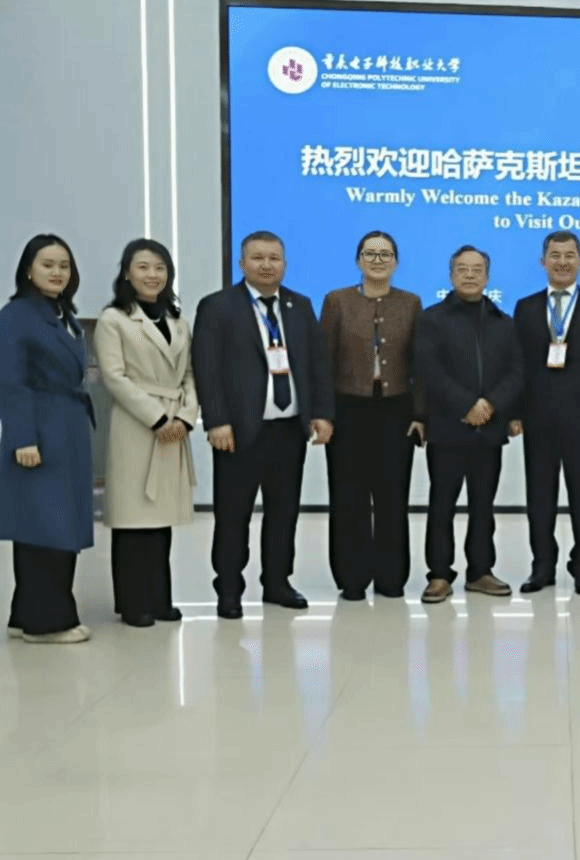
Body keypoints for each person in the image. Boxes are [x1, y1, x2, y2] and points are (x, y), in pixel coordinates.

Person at [192, 230, 335, 619]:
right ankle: (229, 590)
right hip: (238, 432)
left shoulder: (299, 306)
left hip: (288, 430)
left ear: (285, 264)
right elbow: (207, 368)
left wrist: (322, 413)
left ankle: (277, 583)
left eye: (274, 258)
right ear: (242, 263)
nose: (266, 265)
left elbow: (317, 364)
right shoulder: (218, 307)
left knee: (284, 513)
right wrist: (216, 420)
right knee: (232, 515)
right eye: (257, 258)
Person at [95, 238, 198, 627]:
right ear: (127, 272)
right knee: (133, 516)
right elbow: (114, 377)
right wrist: (157, 418)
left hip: (174, 424)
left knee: (161, 517)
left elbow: (190, 375)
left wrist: (185, 418)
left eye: (160, 268)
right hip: (136, 425)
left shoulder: (177, 320)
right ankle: (132, 603)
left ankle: (158, 598)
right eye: (143, 267)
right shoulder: (114, 319)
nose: (152, 274)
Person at [510, 231, 580, 597]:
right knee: (539, 497)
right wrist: (514, 413)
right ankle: (542, 566)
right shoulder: (525, 308)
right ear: (543, 262)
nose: (562, 262)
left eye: (569, 255)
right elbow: (517, 366)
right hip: (537, 418)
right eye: (554, 255)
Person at [320, 231, 426, 601]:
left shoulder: (411, 303)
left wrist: (420, 414)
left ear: (396, 262)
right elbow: (324, 362)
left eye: (385, 254)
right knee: (348, 495)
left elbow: (420, 364)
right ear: (358, 260)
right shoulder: (337, 301)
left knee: (392, 495)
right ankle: (352, 577)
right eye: (370, 253)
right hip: (348, 409)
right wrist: (323, 414)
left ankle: (390, 576)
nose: (378, 260)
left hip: (396, 410)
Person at [414, 245, 523, 604]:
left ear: (487, 277)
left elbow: (516, 372)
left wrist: (491, 405)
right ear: (451, 275)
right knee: (441, 504)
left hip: (489, 430)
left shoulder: (503, 322)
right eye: (462, 269)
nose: (470, 275)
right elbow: (430, 370)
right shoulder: (432, 319)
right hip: (448, 428)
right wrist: (466, 405)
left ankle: (480, 571)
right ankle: (439, 574)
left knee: (483, 505)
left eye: (477, 269)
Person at [0, 234, 95, 643]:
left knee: (53, 522)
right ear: (28, 270)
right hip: (39, 430)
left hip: (66, 429)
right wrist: (22, 437)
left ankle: (24, 615)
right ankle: (47, 622)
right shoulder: (17, 315)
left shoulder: (62, 314)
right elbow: (11, 381)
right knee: (45, 525)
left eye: (64, 265)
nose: (57, 272)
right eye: (48, 264)